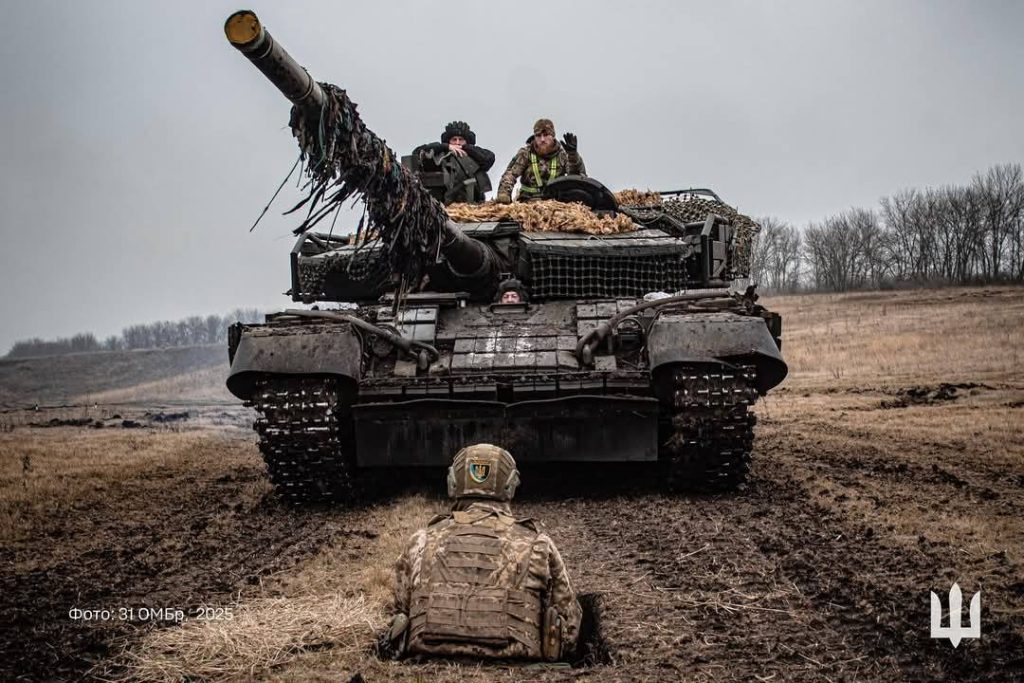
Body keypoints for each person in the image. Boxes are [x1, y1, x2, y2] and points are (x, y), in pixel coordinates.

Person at [389, 444, 582, 661]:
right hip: (516, 661)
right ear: (510, 486)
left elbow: (397, 613)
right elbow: (568, 628)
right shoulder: (537, 543)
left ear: (452, 484)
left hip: (428, 654)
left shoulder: (421, 540)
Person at [495, 119, 586, 203]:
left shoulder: (563, 155)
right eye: (538, 136)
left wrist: (573, 155)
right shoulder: (526, 153)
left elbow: (576, 179)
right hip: (528, 202)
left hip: (557, 203)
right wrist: (504, 194)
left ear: (553, 136)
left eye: (546, 135)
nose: (542, 139)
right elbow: (510, 174)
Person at [412, 121, 495, 204]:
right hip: (442, 207)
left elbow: (489, 158)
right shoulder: (441, 156)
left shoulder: (474, 156)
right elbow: (417, 153)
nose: (457, 142)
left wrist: (466, 148)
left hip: (472, 206)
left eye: (461, 139)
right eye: (454, 139)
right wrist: (445, 147)